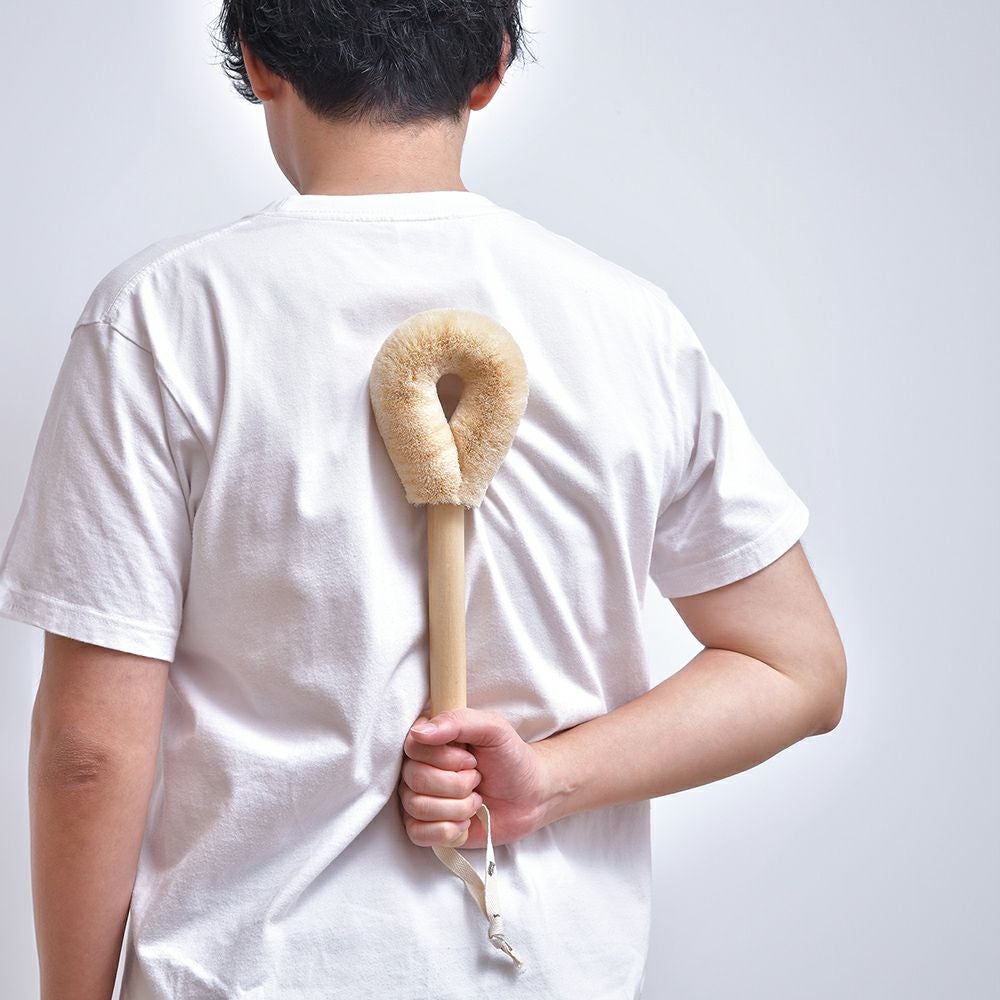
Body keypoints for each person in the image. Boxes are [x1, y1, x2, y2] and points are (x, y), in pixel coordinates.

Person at [0, 2, 847, 998]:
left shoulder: (163, 317)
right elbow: (795, 666)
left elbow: (90, 750)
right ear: (492, 68)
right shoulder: (631, 326)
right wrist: (548, 781)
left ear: (258, 60)